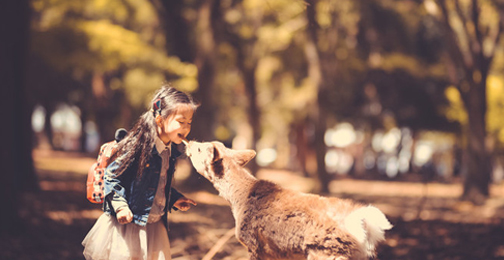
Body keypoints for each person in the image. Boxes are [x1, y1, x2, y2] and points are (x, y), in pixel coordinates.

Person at [82, 85, 199, 260]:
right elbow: (112, 176)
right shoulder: (138, 147)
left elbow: (158, 183)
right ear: (159, 120)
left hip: (153, 226)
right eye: (181, 122)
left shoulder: (170, 151)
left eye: (189, 123)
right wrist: (120, 206)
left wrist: (174, 198)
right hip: (129, 224)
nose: (186, 128)